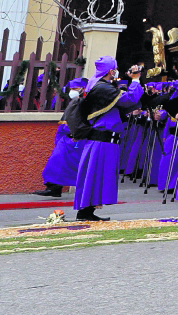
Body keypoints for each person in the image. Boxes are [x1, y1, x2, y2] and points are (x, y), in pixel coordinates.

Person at [72, 59, 143, 221]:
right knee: (95, 174)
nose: (117, 71)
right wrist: (136, 79)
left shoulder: (98, 85)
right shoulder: (102, 87)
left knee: (97, 175)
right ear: (110, 71)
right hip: (101, 140)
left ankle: (88, 211)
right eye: (115, 69)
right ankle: (85, 212)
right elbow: (128, 99)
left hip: (102, 140)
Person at [34, 77, 87, 198]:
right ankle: (54, 187)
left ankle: (85, 189)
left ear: (82, 89)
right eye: (71, 88)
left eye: (75, 88)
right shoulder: (72, 102)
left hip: (78, 140)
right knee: (55, 163)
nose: (72, 91)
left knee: (78, 166)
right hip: (66, 138)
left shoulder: (86, 103)